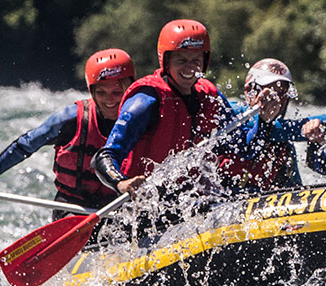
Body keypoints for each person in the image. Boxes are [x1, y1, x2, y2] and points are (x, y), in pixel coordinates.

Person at [92, 18, 245, 215]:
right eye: (181, 60)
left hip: (191, 199)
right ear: (166, 61)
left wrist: (265, 119)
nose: (190, 68)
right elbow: (104, 156)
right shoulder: (145, 101)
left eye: (196, 61)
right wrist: (121, 183)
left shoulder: (210, 96)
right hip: (145, 206)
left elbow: (240, 142)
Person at [0, 49, 135, 218]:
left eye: (117, 93)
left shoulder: (143, 119)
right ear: (91, 91)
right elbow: (25, 145)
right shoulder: (71, 119)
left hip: (118, 210)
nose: (109, 100)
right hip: (72, 209)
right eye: (101, 93)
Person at [215, 58, 303, 194]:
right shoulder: (232, 115)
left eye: (281, 93)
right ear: (249, 91)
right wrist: (263, 120)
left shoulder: (284, 146)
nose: (275, 99)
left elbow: (296, 192)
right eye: (269, 92)